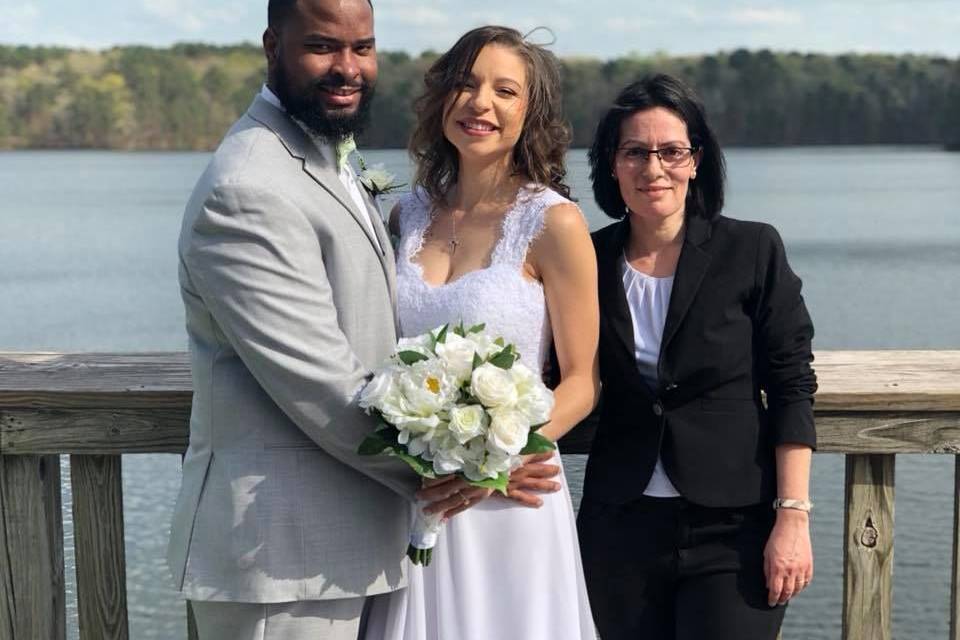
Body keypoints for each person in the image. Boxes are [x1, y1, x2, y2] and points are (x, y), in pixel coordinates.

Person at [167, 1, 426, 637]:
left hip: (337, 547)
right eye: (322, 47)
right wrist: (452, 469)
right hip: (278, 559)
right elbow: (322, 384)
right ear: (271, 45)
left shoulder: (321, 153)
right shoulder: (248, 187)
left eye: (362, 48)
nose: (348, 67)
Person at [363, 26, 600, 640]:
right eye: (465, 84)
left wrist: (500, 460)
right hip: (421, 495)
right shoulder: (406, 214)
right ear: (442, 98)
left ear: (532, 111)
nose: (480, 103)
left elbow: (581, 380)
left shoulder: (554, 222)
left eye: (504, 90)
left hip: (511, 497)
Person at [578, 73, 817, 640]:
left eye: (671, 151)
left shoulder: (752, 248)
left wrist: (792, 515)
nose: (653, 168)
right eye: (635, 152)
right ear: (612, 164)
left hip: (734, 529)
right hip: (620, 526)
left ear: (696, 161)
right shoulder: (586, 258)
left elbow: (790, 385)